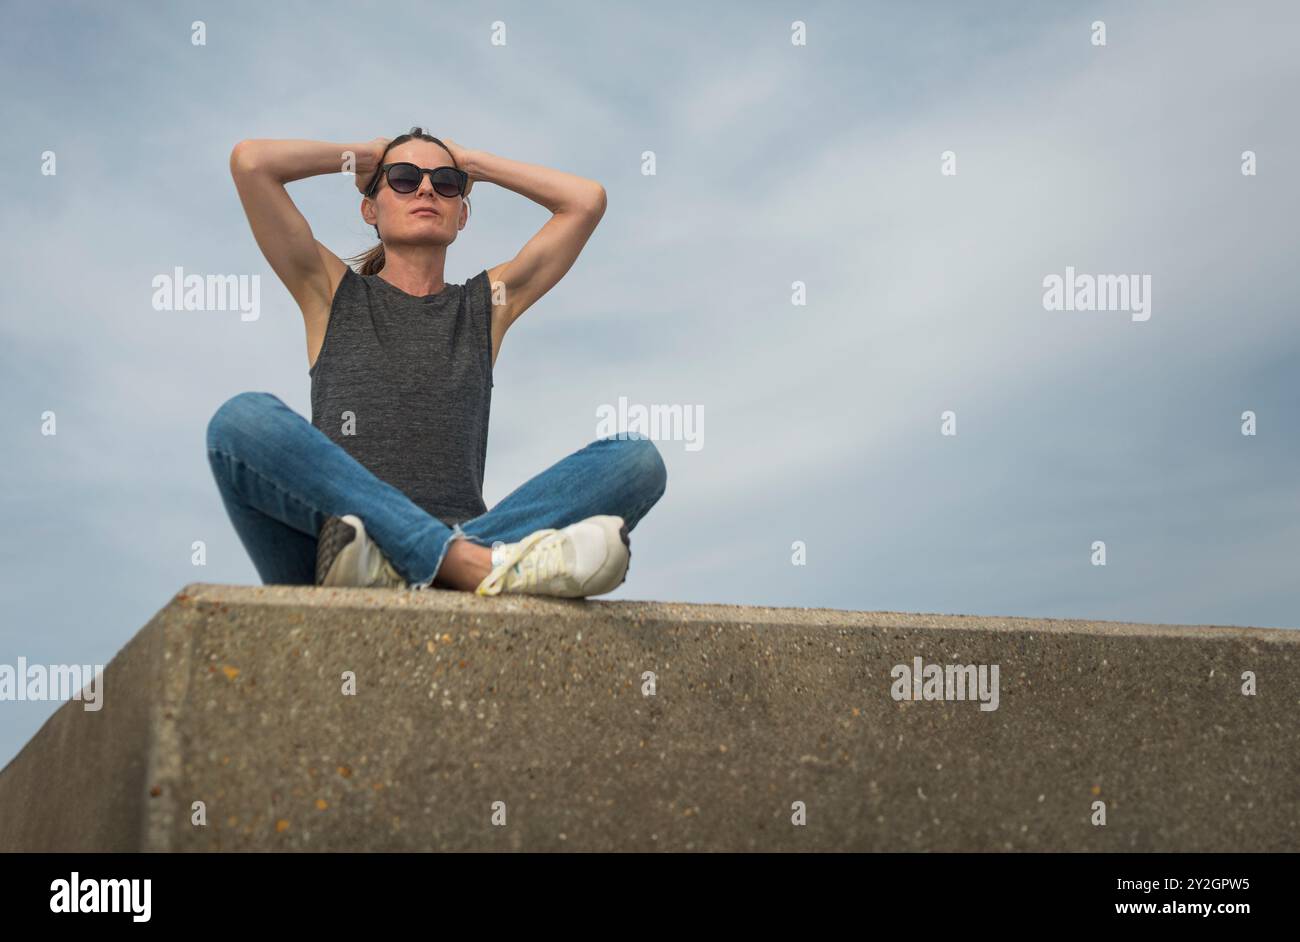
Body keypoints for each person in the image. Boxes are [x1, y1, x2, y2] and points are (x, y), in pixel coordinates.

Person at [207, 128, 666, 597]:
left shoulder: (485, 307)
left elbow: (585, 201)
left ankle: (446, 561)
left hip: (467, 535)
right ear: (370, 208)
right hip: (337, 553)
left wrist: (474, 163)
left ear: (461, 214)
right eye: (403, 178)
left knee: (638, 461)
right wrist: (366, 156)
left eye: (447, 182)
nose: (426, 188)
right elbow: (252, 164)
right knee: (241, 421)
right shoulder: (330, 293)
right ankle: (463, 563)